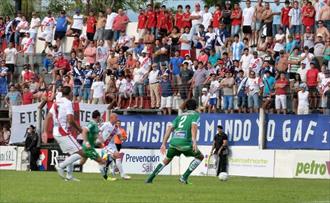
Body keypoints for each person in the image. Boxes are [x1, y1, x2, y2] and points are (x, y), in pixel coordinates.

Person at [145, 99, 204, 184]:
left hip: (173, 142)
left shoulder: (180, 116)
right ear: (195, 107)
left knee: (166, 160)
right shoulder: (195, 115)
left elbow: (169, 129)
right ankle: (184, 177)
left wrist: (163, 144)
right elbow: (193, 127)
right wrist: (194, 142)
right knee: (200, 157)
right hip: (185, 144)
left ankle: (150, 178)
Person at [43, 86, 85, 181]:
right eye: (72, 92)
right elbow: (70, 120)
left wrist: (45, 132)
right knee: (83, 153)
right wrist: (80, 129)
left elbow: (48, 117)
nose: (72, 94)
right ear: (70, 93)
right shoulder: (68, 103)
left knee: (72, 153)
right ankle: (60, 166)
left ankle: (69, 176)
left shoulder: (56, 102)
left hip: (56, 132)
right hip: (63, 133)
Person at [100, 113, 131, 180]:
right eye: (116, 118)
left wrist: (123, 138)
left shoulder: (116, 127)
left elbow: (120, 137)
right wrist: (101, 139)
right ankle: (122, 174)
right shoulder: (106, 124)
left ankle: (104, 169)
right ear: (111, 118)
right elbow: (98, 131)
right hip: (106, 145)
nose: (117, 119)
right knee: (117, 156)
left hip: (113, 145)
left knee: (112, 158)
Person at [79, 110, 108, 179]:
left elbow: (95, 136)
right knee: (102, 161)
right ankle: (105, 177)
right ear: (98, 117)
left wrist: (101, 143)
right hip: (88, 148)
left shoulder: (95, 125)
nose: (100, 119)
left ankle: (67, 164)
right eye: (100, 117)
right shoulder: (92, 124)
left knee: (81, 163)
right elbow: (84, 131)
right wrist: (87, 142)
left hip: (88, 147)